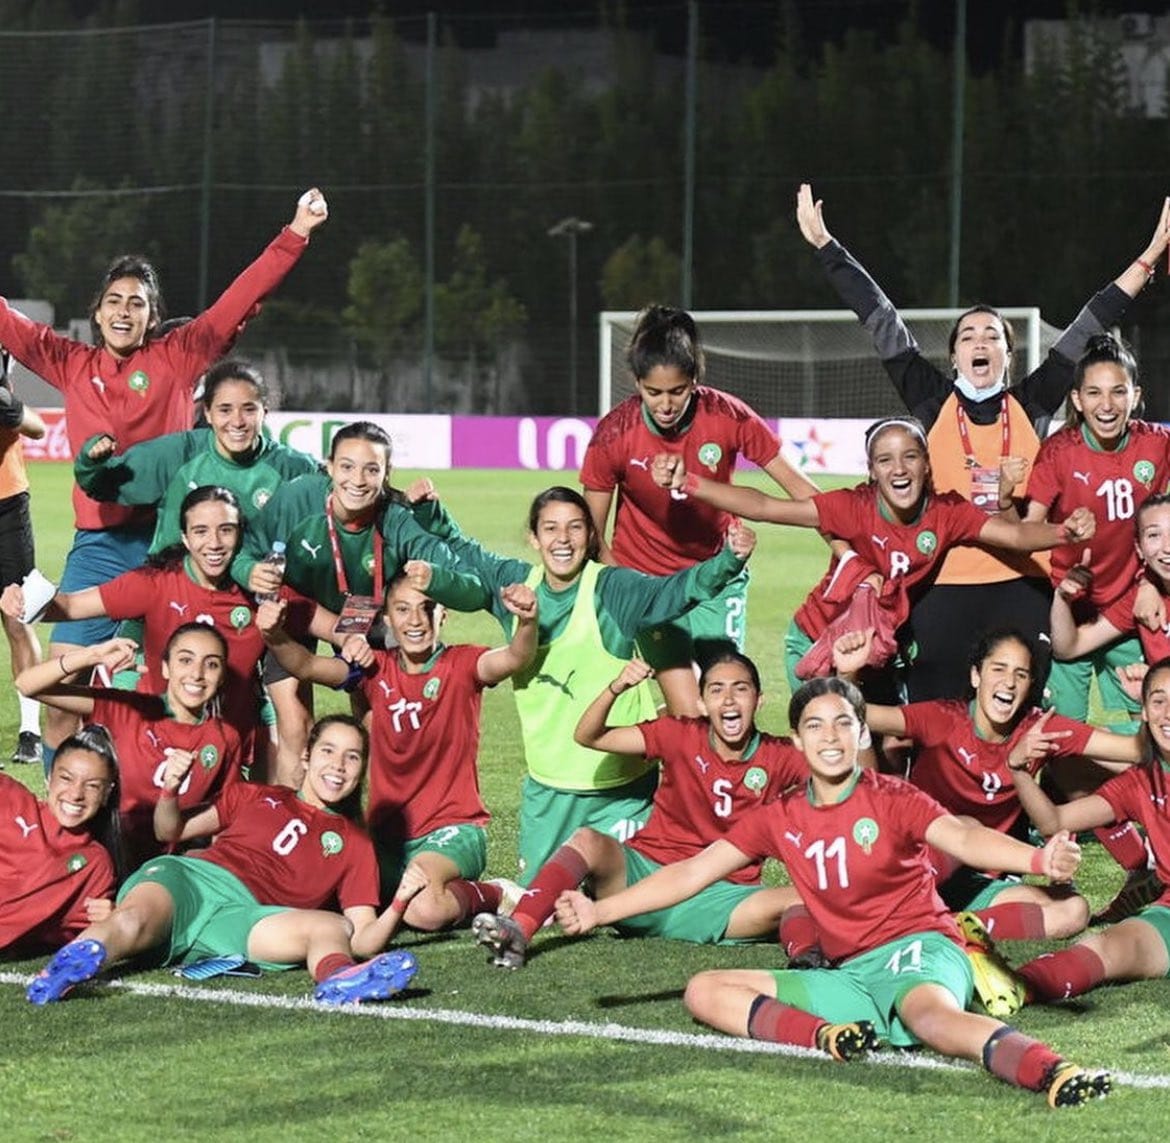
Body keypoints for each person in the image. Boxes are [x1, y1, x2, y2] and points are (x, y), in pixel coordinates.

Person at [556, 677, 1110, 1108]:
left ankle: (1051, 1069)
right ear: (797, 739)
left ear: (862, 734)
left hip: (919, 947)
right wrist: (599, 909)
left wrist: (1036, 858)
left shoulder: (893, 796)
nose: (830, 737)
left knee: (930, 1020)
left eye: (844, 724)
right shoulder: (781, 817)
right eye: (816, 726)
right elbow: (691, 873)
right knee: (704, 990)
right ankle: (828, 1036)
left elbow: (963, 836)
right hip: (849, 976)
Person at [796, 182, 1170, 701]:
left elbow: (1091, 323)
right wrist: (827, 248)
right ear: (953, 358)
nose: (980, 341)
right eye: (968, 335)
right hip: (943, 582)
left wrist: (1149, 259)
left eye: (992, 335)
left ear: (1008, 356)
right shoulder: (933, 403)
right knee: (935, 717)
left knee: (1020, 719)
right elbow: (881, 319)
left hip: (1024, 583)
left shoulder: (1032, 402)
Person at [0, 188, 329, 772]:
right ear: (97, 312)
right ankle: (72, 827)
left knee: (198, 691)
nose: (124, 311)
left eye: (137, 303)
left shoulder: (179, 355)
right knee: (63, 703)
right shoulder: (69, 361)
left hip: (174, 549)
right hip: (98, 549)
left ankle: (218, 811)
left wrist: (296, 232)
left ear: (154, 317)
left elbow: (238, 300)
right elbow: (8, 322)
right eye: (114, 301)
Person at [411, 484, 757, 881]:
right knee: (538, 897)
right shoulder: (514, 583)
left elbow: (675, 591)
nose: (562, 539)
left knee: (633, 906)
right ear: (534, 537)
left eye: (575, 528)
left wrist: (729, 560)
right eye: (551, 529)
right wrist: (430, 513)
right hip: (551, 786)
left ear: (591, 536)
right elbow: (466, 551)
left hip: (621, 790)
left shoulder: (613, 588)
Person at [654, 416, 1095, 701]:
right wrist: (690, 482)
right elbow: (766, 506)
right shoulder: (852, 507)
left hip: (878, 653)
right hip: (817, 640)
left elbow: (1013, 534)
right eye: (885, 460)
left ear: (927, 465)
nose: (898, 469)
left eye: (909, 457)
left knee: (892, 745)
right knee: (832, 744)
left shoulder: (947, 512)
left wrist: (1062, 532)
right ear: (871, 471)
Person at [26, 715, 421, 1007]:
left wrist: (401, 902)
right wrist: (170, 791)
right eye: (328, 752)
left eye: (352, 758)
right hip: (192, 879)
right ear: (306, 756)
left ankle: (339, 980)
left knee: (333, 925)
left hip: (247, 917)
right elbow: (170, 831)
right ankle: (63, 969)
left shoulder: (355, 844)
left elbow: (364, 936)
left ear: (362, 770)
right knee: (131, 921)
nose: (337, 766)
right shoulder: (253, 795)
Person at [472, 650, 808, 969]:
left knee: (802, 898)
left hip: (721, 900)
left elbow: (854, 778)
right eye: (717, 690)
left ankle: (809, 960)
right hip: (642, 880)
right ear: (702, 703)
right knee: (588, 839)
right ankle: (518, 930)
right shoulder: (679, 734)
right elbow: (590, 736)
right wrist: (617, 687)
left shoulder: (779, 755)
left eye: (741, 689)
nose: (730, 700)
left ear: (759, 700)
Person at [257, 571, 538, 930]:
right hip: (385, 841)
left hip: (451, 829)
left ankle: (495, 894)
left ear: (443, 615)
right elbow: (307, 666)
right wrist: (274, 635)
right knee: (317, 890)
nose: (416, 620)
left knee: (424, 910)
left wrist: (527, 621)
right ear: (388, 619)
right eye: (403, 610)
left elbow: (515, 657)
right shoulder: (375, 669)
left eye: (427, 608)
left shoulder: (462, 665)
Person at [580, 304, 823, 716]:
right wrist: (631, 593)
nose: (666, 404)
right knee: (691, 710)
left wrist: (855, 534)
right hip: (650, 586)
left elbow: (804, 493)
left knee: (725, 702)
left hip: (716, 577)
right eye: (653, 393)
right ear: (636, 382)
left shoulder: (727, 415)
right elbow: (592, 534)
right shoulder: (613, 435)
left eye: (677, 391)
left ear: (694, 380)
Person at [3, 486, 337, 781]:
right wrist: (22, 600)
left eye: (226, 530)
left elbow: (331, 627)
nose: (215, 543)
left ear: (241, 535)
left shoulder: (257, 588)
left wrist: (371, 635)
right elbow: (71, 606)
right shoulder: (156, 583)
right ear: (185, 538)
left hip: (229, 742)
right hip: (153, 738)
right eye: (201, 531)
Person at [832, 627, 1142, 941]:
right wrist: (847, 674)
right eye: (999, 669)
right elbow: (858, 716)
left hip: (981, 879)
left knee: (1073, 911)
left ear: (1030, 685)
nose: (1009, 682)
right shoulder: (943, 719)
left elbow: (1135, 749)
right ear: (976, 676)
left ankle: (939, 926)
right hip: (923, 862)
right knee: (958, 824)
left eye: (1020, 674)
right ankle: (890, 910)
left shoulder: (1038, 730)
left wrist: (1147, 705)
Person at [231, 421, 487, 786]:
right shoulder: (298, 498)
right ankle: (286, 826)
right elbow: (246, 552)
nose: (358, 480)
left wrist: (441, 575)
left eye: (372, 469)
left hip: (367, 616)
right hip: (297, 610)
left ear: (387, 473)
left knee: (377, 728)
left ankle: (375, 826)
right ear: (329, 466)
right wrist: (250, 571)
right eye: (347, 467)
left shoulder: (397, 519)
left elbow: (464, 576)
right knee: (295, 728)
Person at [1019, 334, 1170, 728]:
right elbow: (1027, 531)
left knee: (1153, 724)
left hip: (1132, 604)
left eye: (1118, 392)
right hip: (1068, 608)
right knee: (1060, 733)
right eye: (1094, 393)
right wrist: (1063, 532)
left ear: (1135, 396)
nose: (1107, 405)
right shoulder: (1059, 451)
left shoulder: (1156, 445)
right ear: (1077, 400)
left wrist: (1153, 581)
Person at [1006, 658, 1170, 1008]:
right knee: (1105, 946)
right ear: (1143, 712)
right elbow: (1053, 822)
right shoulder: (1140, 781)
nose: (1168, 713)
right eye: (1158, 701)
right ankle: (1013, 985)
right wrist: (1018, 769)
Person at [15, 625, 243, 869]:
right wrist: (91, 656)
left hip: (165, 871)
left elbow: (226, 816)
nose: (197, 673)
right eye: (185, 660)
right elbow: (28, 685)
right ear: (165, 667)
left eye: (212, 664)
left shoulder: (225, 738)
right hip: (97, 859)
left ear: (221, 678)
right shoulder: (127, 708)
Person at [72, 357, 321, 555]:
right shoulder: (178, 454)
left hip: (252, 601)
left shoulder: (292, 467)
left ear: (263, 413)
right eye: (225, 410)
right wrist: (91, 462)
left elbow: (337, 503)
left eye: (248, 410)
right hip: (174, 593)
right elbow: (100, 484)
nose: (237, 421)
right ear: (208, 414)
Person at [1, 725, 123, 953]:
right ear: (49, 778)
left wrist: (112, 919)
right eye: (66, 778)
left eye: (93, 786)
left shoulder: (95, 865)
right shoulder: (9, 799)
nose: (76, 794)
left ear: (107, 793)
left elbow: (70, 933)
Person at [0, 346, 47, 766]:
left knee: (18, 617)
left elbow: (38, 427)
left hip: (7, 504)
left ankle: (30, 730)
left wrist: (9, 405)